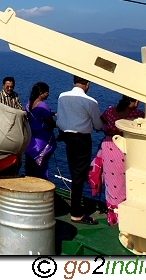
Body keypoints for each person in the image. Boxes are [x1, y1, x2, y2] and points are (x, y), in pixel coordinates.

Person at [91, 96, 145, 226]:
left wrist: (109, 129)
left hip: (108, 146)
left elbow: (102, 123)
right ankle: (126, 216)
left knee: (111, 182)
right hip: (126, 148)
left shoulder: (110, 111)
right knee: (126, 183)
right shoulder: (138, 114)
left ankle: (113, 215)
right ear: (136, 101)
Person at [56, 75, 102, 225]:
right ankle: (76, 212)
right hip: (82, 140)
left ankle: (76, 207)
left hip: (67, 138)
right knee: (79, 176)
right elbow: (98, 124)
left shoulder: (62, 96)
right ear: (87, 84)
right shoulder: (90, 101)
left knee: (74, 171)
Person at [24, 82, 57, 179]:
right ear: (41, 93)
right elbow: (50, 122)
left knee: (31, 166)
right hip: (43, 140)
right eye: (47, 92)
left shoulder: (29, 103)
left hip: (31, 140)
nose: (48, 94)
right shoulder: (43, 105)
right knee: (42, 166)